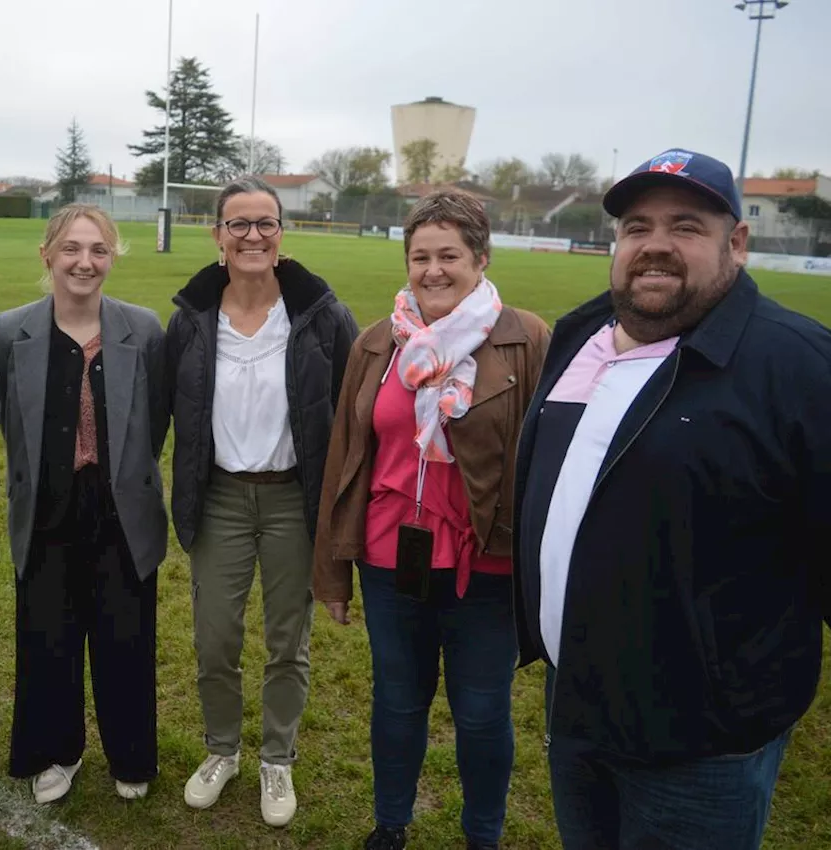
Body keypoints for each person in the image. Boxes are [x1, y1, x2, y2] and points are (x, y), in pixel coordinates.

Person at [513, 148, 831, 850]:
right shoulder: (580, 336)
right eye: (636, 227)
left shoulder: (799, 366)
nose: (655, 244)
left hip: (700, 744)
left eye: (685, 226)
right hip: (576, 704)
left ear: (736, 244)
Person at [312, 188, 549, 850]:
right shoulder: (377, 343)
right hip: (390, 562)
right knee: (396, 703)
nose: (434, 270)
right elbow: (345, 458)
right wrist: (332, 570)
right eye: (421, 256)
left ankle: (484, 835)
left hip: (488, 567)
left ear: (481, 257)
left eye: (450, 255)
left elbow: (550, 459)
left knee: (480, 715)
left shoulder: (526, 339)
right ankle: (391, 825)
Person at [165, 175, 358, 827]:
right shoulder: (192, 316)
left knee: (287, 640)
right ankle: (222, 750)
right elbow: (167, 408)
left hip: (291, 501)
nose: (252, 236)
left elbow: (355, 408)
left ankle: (277, 756)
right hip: (218, 497)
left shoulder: (320, 313)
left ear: (282, 233)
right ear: (217, 235)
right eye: (238, 224)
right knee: (215, 637)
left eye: (265, 223)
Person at [0, 204, 168, 804]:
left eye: (97, 249)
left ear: (112, 257)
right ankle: (54, 752)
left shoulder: (142, 329)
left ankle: (131, 753)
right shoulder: (12, 330)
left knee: (125, 635)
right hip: (47, 507)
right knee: (48, 637)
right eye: (70, 248)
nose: (83, 262)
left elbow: (156, 423)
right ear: (47, 255)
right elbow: (11, 424)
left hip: (120, 509)